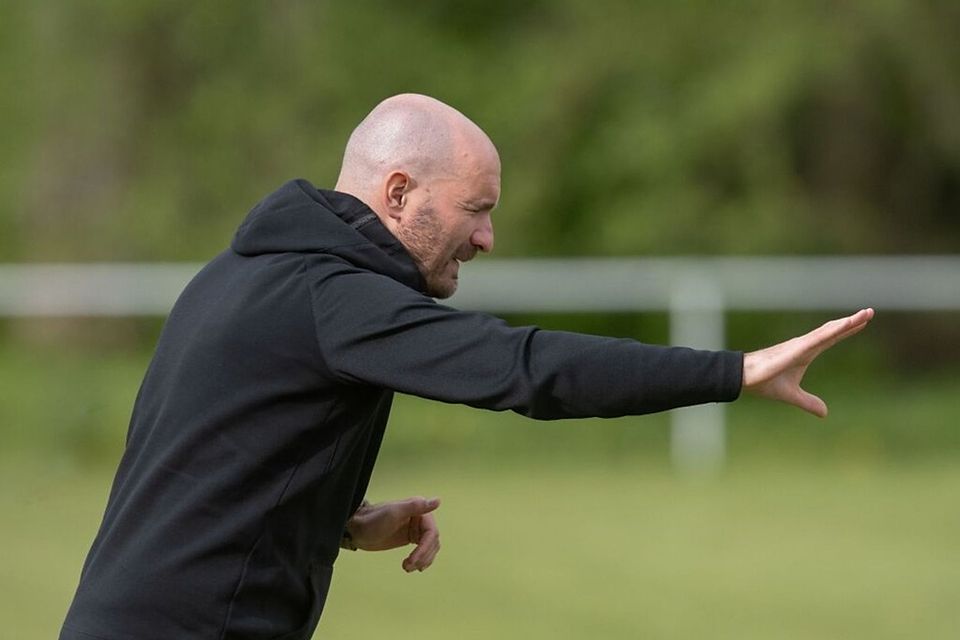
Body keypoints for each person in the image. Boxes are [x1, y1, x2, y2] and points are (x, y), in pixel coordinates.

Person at [59, 93, 874, 640]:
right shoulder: (333, 297)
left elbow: (216, 458)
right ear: (401, 191)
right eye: (475, 211)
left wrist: (342, 521)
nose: (486, 238)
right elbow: (526, 369)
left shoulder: (244, 274)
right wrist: (736, 371)